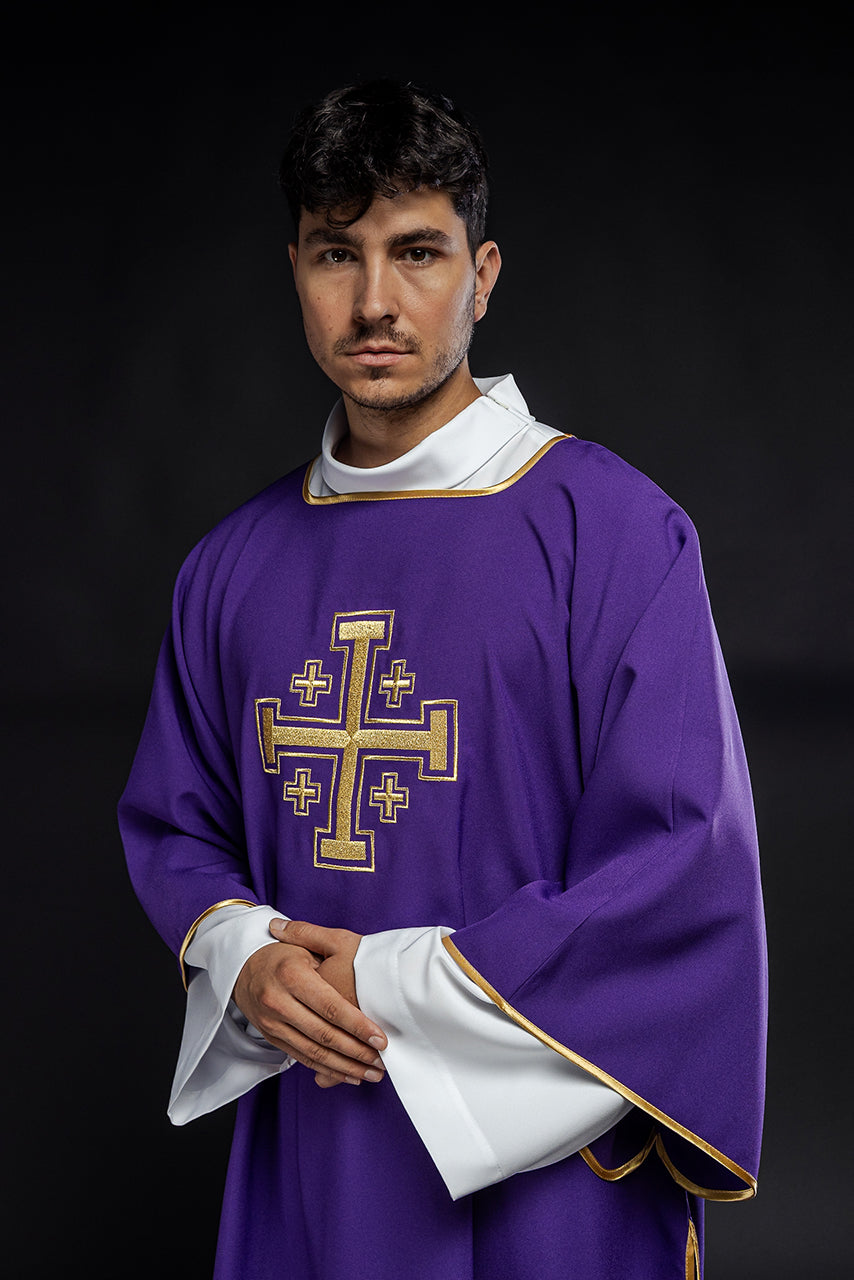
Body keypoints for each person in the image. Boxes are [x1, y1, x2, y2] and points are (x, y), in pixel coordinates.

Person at [119, 79, 767, 1280]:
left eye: (416, 251)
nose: (373, 301)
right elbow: (176, 825)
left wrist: (385, 975)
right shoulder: (227, 567)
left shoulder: (611, 532)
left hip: (547, 1169)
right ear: (295, 272)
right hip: (311, 1144)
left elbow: (680, 866)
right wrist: (245, 951)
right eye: (335, 254)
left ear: (481, 275)